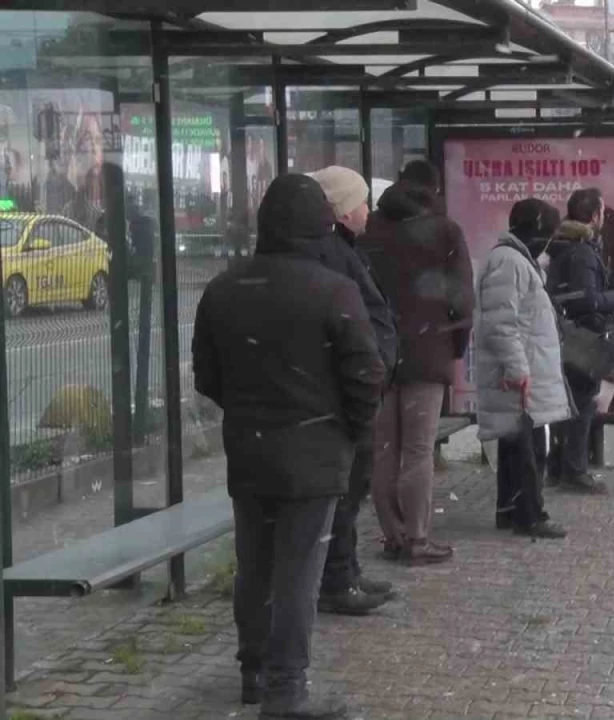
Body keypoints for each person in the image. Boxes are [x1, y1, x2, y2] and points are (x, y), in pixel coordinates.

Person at [193, 174, 385, 719]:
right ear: (320, 226)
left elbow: (207, 376)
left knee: (254, 565)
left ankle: (253, 671)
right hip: (316, 454)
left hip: (250, 451)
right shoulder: (333, 289)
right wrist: (348, 426)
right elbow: (366, 373)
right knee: (299, 571)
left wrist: (253, 410)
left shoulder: (224, 288)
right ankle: (285, 690)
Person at [363, 160, 474, 565]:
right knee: (417, 448)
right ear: (434, 190)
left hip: (378, 354)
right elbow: (462, 299)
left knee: (385, 448)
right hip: (427, 353)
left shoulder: (371, 230)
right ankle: (416, 537)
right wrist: (454, 347)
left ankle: (392, 534)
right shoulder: (444, 231)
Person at [306, 165, 400, 614]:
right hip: (345, 396)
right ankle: (337, 578)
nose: (369, 210)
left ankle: (346, 570)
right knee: (345, 489)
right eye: (363, 202)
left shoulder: (344, 250)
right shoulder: (333, 255)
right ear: (344, 210)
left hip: (356, 389)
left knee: (352, 486)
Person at [476, 198, 573, 538]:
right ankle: (530, 515)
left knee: (517, 444)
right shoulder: (510, 262)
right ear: (535, 230)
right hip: (521, 375)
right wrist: (518, 369)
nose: (550, 240)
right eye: (548, 232)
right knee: (528, 447)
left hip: (523, 370)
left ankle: (511, 509)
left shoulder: (515, 260)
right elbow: (502, 323)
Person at [546, 188, 614, 494]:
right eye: (602, 212)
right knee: (581, 403)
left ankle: (558, 467)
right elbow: (586, 299)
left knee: (570, 404)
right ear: (594, 216)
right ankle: (574, 471)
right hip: (583, 337)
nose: (604, 217)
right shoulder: (581, 251)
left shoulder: (565, 245)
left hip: (568, 334)